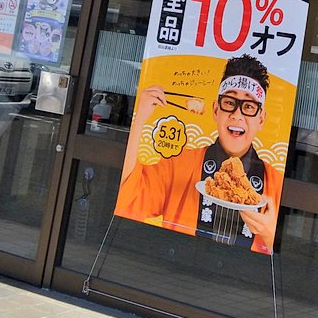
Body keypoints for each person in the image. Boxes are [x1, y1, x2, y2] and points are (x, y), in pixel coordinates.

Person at [116, 54, 280, 252]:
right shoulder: (179, 164)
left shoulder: (274, 182)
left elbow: (278, 254)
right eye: (229, 102)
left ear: (261, 119)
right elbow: (129, 200)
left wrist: (270, 234)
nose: (237, 115)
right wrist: (139, 119)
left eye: (249, 107)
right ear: (215, 110)